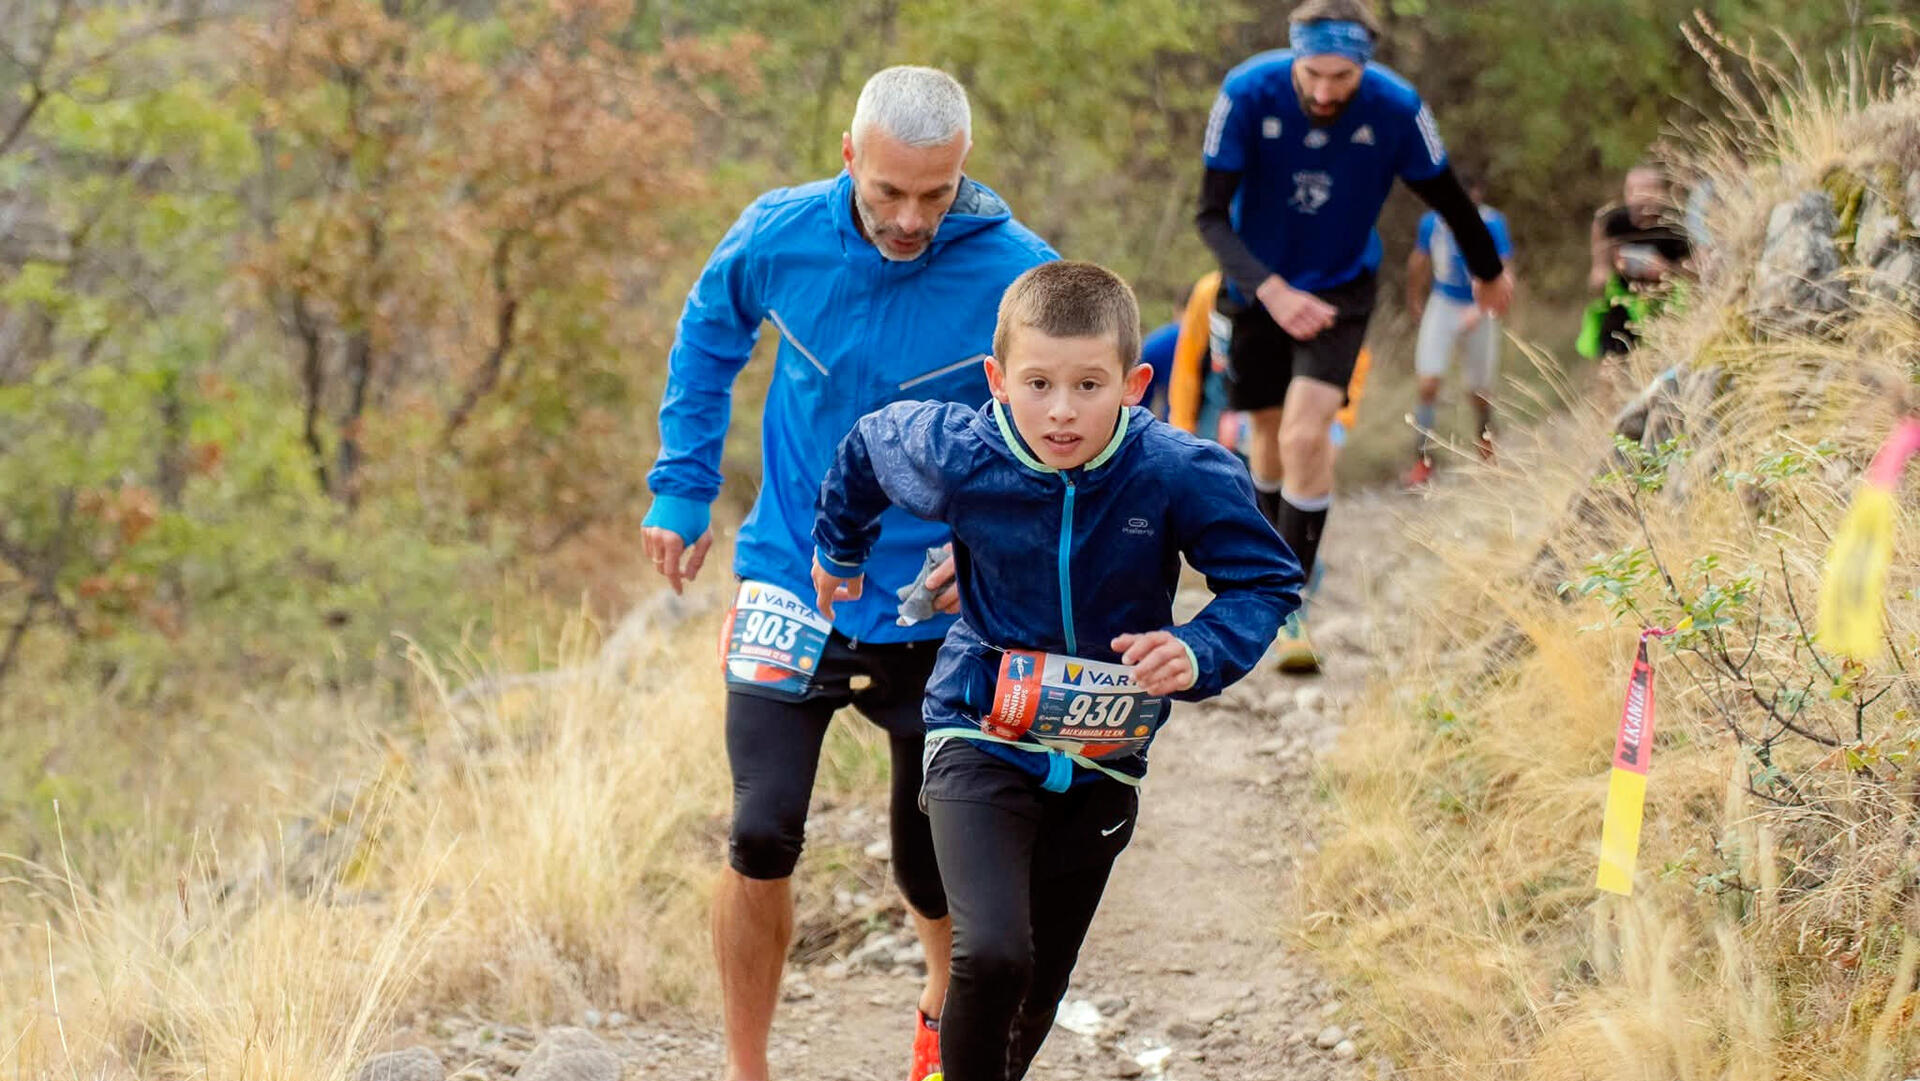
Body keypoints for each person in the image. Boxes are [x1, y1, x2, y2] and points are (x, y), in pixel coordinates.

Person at [640, 66, 1055, 1081]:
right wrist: (683, 487)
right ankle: (748, 1069)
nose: (911, 218)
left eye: (936, 193)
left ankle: (935, 1023)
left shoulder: (1017, 274)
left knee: (929, 856)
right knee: (759, 830)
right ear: (849, 160)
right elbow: (707, 337)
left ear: (963, 171)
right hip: (791, 572)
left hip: (937, 602)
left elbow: (1064, 429)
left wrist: (996, 535)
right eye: (888, 193)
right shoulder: (780, 234)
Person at [811, 261, 1302, 1081]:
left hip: (1103, 753)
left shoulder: (1176, 471)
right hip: (980, 727)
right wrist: (838, 546)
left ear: (1135, 383)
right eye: (1037, 383)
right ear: (998, 379)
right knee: (994, 954)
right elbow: (867, 446)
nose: (1062, 410)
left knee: (1037, 985)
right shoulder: (961, 451)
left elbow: (1266, 579)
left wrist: (1198, 648)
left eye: (1088, 384)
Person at [1195, 0, 1512, 672]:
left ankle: (1285, 604)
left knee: (1307, 435)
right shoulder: (1247, 92)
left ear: (1365, 63)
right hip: (1257, 286)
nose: (1324, 91)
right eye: (1313, 73)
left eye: (1342, 77)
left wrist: (1487, 271)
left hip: (1341, 286)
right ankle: (1266, 575)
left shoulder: (1397, 108)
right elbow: (1211, 216)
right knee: (1267, 446)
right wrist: (1273, 293)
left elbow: (1449, 199)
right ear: (1294, 57)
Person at [1403, 177, 1516, 486]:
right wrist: (1415, 300)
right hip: (1443, 302)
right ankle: (1422, 459)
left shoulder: (1493, 223)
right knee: (1428, 383)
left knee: (1479, 391)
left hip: (1481, 305)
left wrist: (1480, 310)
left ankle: (1486, 446)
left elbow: (1506, 271)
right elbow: (1419, 260)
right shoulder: (1433, 223)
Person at [1579, 163, 1693, 358]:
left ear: (1663, 193)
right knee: (1611, 363)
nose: (1643, 196)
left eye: (1651, 189)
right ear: (1626, 194)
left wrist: (1666, 270)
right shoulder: (1612, 223)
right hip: (1623, 303)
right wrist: (1605, 265)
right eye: (1635, 190)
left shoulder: (1676, 226)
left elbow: (1695, 274)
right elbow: (1597, 278)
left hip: (1665, 305)